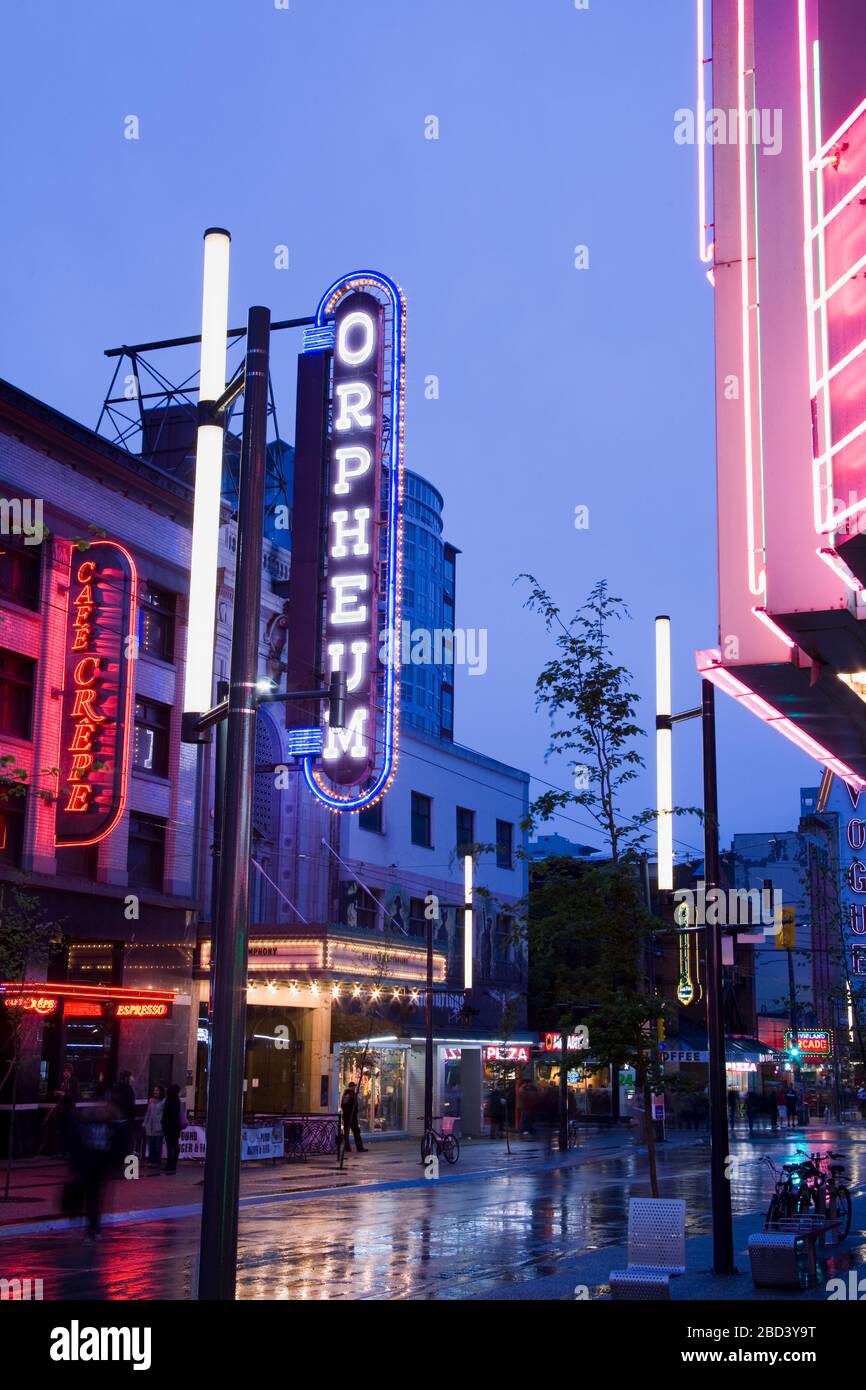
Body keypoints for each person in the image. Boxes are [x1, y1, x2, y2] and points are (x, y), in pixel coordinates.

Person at [67, 1102, 114, 1238]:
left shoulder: (82, 1128)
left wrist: (74, 1166)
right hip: (98, 1168)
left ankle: (85, 1222)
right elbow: (111, 1148)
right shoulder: (108, 1128)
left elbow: (76, 1147)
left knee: (84, 1195)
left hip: (85, 1166)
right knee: (95, 1197)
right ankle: (93, 1226)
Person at [53, 1063, 80, 1158]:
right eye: (65, 1071)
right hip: (61, 1110)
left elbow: (76, 1096)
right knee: (61, 1131)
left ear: (71, 1072)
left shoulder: (74, 1082)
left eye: (67, 1071)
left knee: (68, 1131)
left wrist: (64, 1094)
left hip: (69, 1110)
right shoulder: (63, 1082)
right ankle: (61, 1151)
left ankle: (68, 1152)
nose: (65, 1073)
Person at [110, 1071, 137, 1165]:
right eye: (130, 1077)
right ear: (127, 1078)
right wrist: (132, 1121)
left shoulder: (115, 1088)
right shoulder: (128, 1089)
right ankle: (123, 1161)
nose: (132, 1079)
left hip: (114, 1119)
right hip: (124, 1120)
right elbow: (131, 1107)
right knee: (125, 1142)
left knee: (115, 1142)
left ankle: (115, 1161)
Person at [161, 1083, 184, 1174]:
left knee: (170, 1146)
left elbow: (165, 1114)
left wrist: (163, 1124)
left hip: (168, 1126)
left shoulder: (168, 1101)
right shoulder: (178, 1101)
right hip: (176, 1126)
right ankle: (173, 1164)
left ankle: (169, 1164)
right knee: (175, 1145)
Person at [143, 1086, 165, 1168]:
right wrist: (145, 1123)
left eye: (157, 1090)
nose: (155, 1092)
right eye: (154, 1090)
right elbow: (148, 1112)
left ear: (161, 1092)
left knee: (157, 1145)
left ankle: (156, 1161)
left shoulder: (163, 1101)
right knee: (150, 1144)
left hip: (159, 1126)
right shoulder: (151, 1101)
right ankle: (151, 1160)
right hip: (150, 1126)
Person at [340, 1082, 365, 1153]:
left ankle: (347, 1147)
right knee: (356, 1132)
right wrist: (354, 1112)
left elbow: (342, 1105)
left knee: (346, 1132)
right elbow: (354, 1106)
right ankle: (359, 1147)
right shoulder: (353, 1094)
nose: (355, 1088)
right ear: (353, 1087)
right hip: (351, 1116)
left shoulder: (345, 1094)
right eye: (354, 1087)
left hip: (345, 1116)